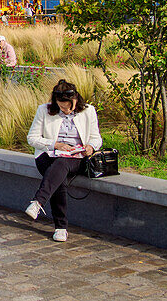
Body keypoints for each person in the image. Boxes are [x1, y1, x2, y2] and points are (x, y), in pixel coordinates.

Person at [25, 80, 103, 242]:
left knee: (60, 165)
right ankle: (60, 227)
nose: (65, 110)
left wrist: (91, 147)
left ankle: (39, 202)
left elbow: (96, 138)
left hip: (77, 157)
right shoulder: (44, 110)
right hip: (49, 154)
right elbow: (32, 138)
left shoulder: (88, 111)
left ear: (75, 100)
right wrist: (55, 144)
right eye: (61, 106)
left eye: (68, 106)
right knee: (58, 172)